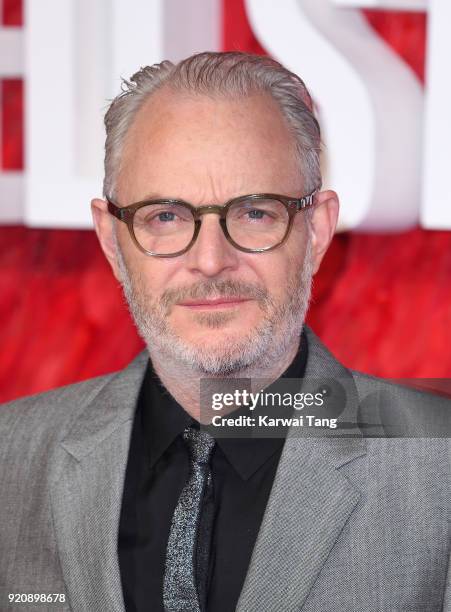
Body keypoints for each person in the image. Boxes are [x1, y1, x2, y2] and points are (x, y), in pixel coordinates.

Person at [0, 52, 449, 612]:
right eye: (165, 216)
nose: (211, 260)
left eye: (255, 212)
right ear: (113, 242)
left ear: (316, 232)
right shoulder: (9, 457)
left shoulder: (440, 466)